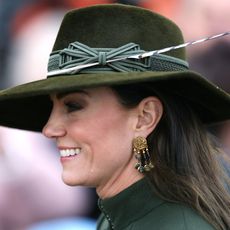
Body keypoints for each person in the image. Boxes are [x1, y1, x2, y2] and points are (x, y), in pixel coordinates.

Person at [0, 4, 229, 230]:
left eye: (73, 106)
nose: (49, 129)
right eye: (52, 108)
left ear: (144, 118)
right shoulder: (121, 208)